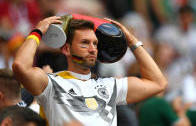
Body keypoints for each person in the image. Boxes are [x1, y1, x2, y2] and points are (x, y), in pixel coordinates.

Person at [12, 16, 167, 126]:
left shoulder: (110, 86)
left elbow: (158, 83)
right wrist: (37, 32)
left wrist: (132, 41)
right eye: (85, 43)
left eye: (95, 44)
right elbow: (20, 66)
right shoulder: (51, 83)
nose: (93, 49)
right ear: (66, 49)